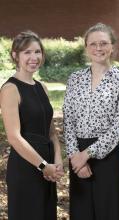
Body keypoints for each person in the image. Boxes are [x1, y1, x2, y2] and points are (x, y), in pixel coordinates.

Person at [63, 23, 119, 220]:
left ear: (112, 46)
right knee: (81, 212)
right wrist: (74, 156)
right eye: (93, 44)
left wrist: (87, 154)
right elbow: (68, 119)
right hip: (77, 155)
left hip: (108, 156)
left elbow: (118, 127)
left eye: (103, 43)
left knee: (110, 212)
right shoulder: (75, 79)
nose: (98, 48)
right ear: (86, 47)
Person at [0, 30, 64, 220]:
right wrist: (43, 165)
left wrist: (58, 159)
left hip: (48, 165)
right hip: (26, 166)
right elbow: (14, 137)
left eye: (37, 52)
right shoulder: (10, 89)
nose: (34, 57)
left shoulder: (42, 87)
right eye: (27, 52)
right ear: (15, 56)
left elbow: (51, 130)